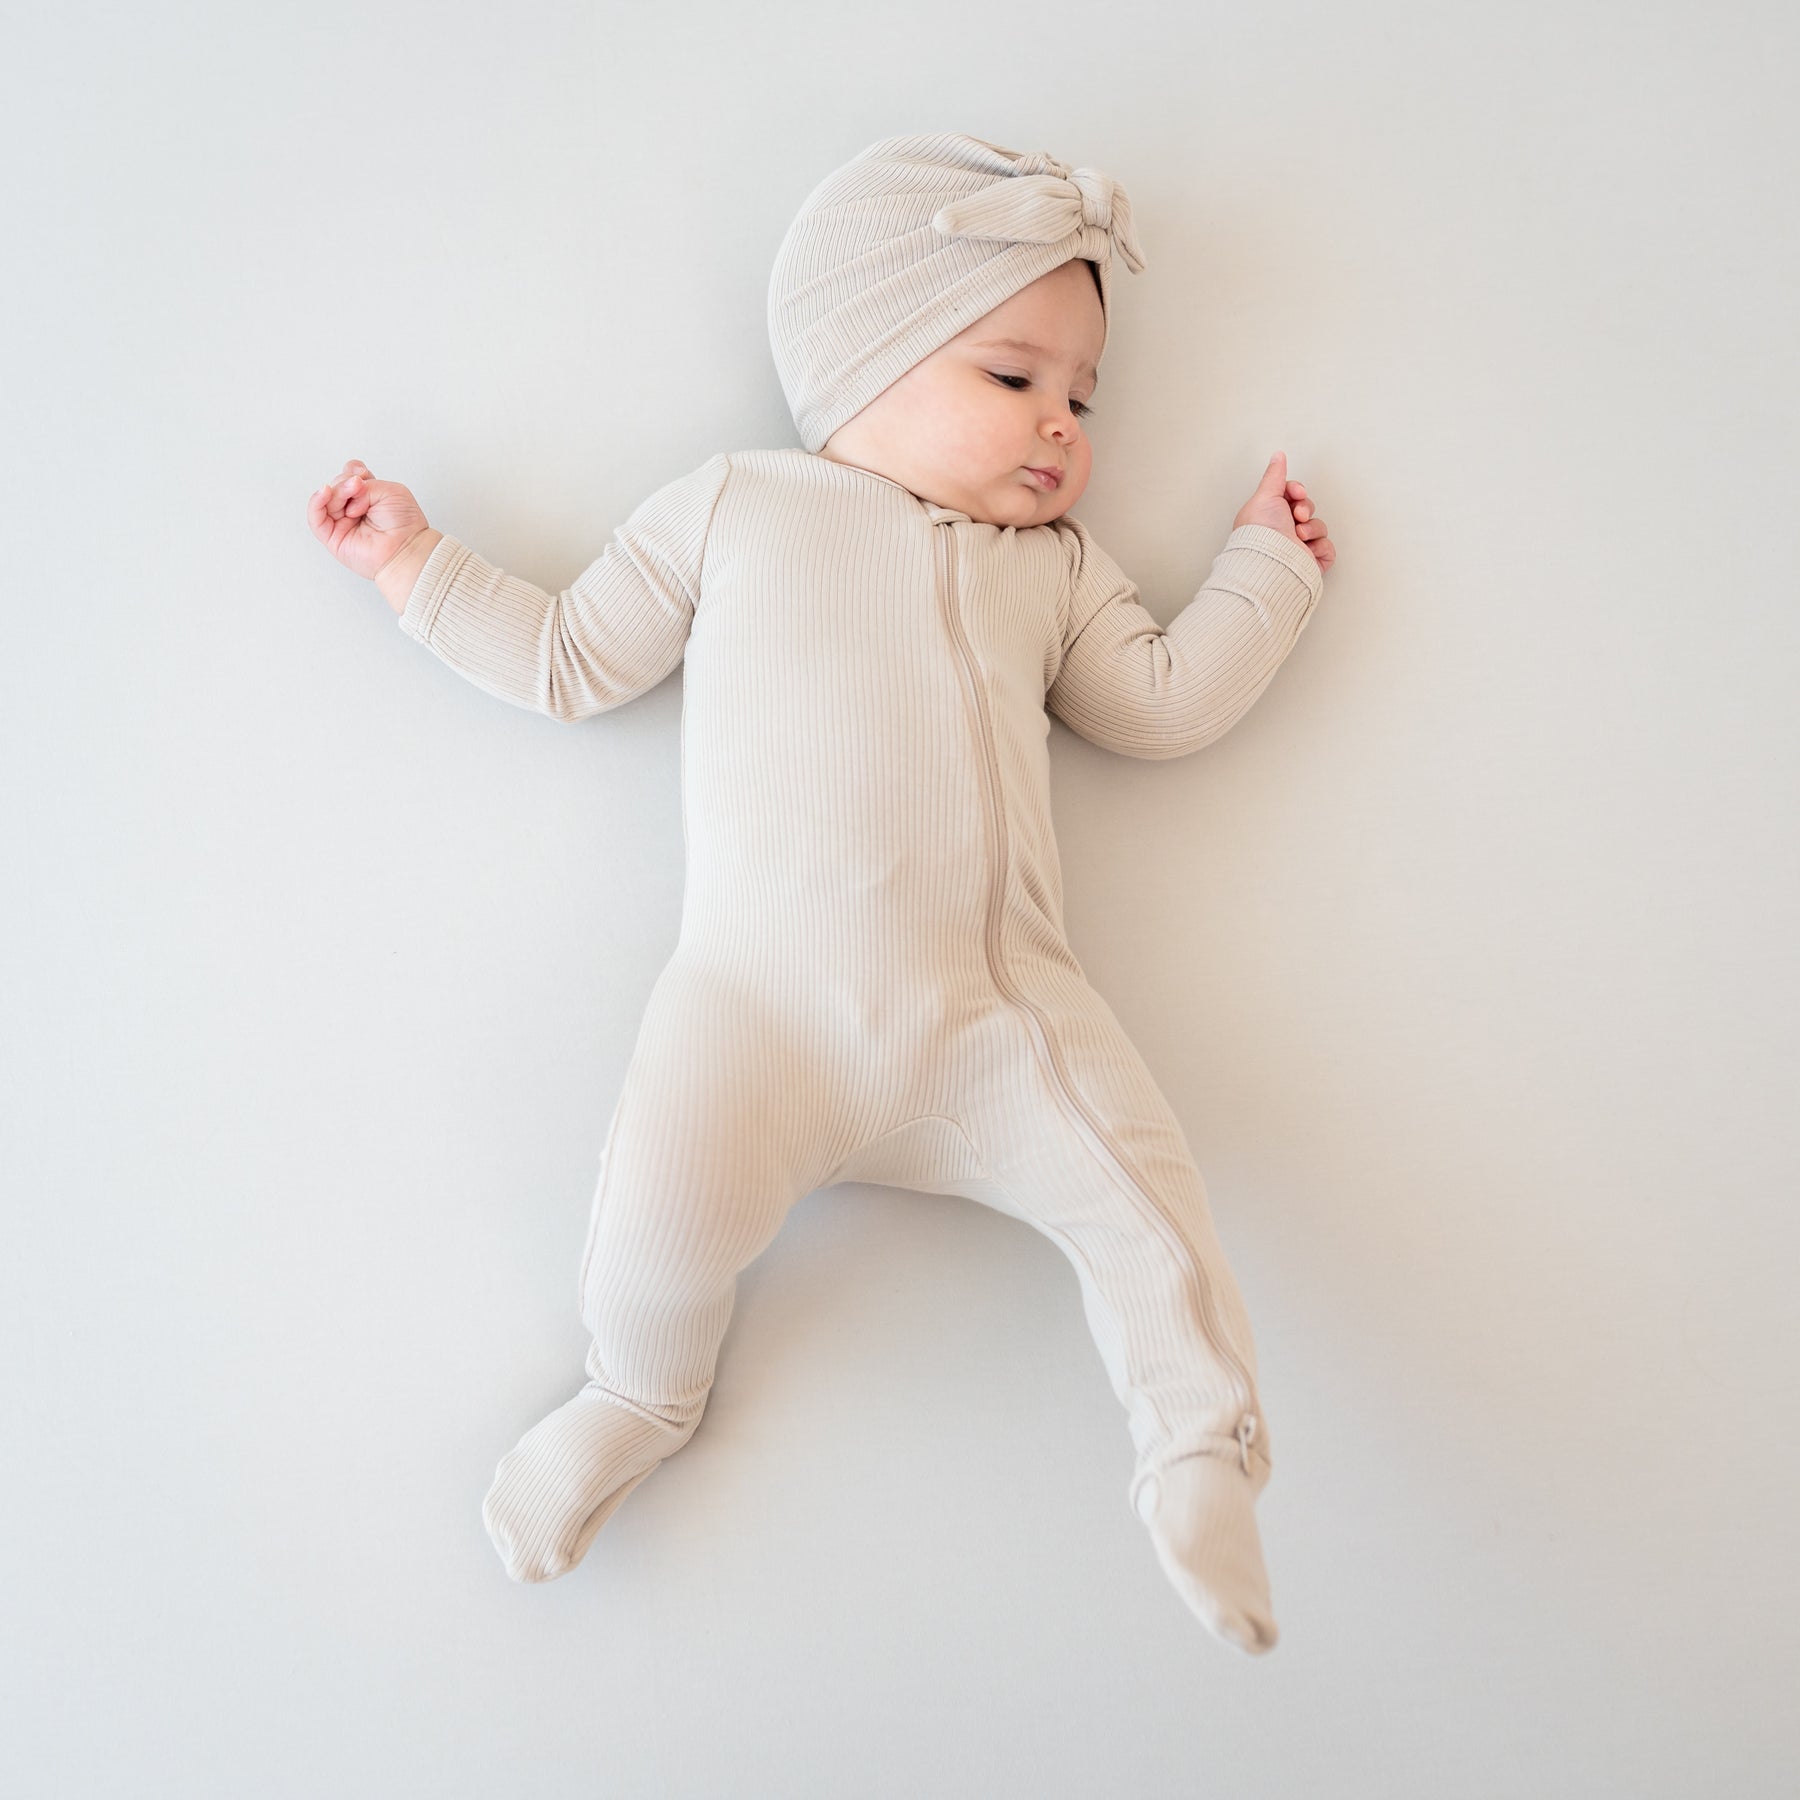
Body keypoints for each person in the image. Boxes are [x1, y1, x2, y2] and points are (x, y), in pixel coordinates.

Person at [307, 131, 1337, 1658]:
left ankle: (1199, 1450)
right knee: (657, 1217)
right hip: (760, 1017)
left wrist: (1267, 573)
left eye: (1082, 397)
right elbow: (571, 658)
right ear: (863, 358)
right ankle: (638, 1394)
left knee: (1153, 1214)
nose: (1059, 426)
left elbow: (1164, 704)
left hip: (1006, 1018)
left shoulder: (1055, 570)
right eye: (1015, 376)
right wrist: (415, 565)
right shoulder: (738, 506)